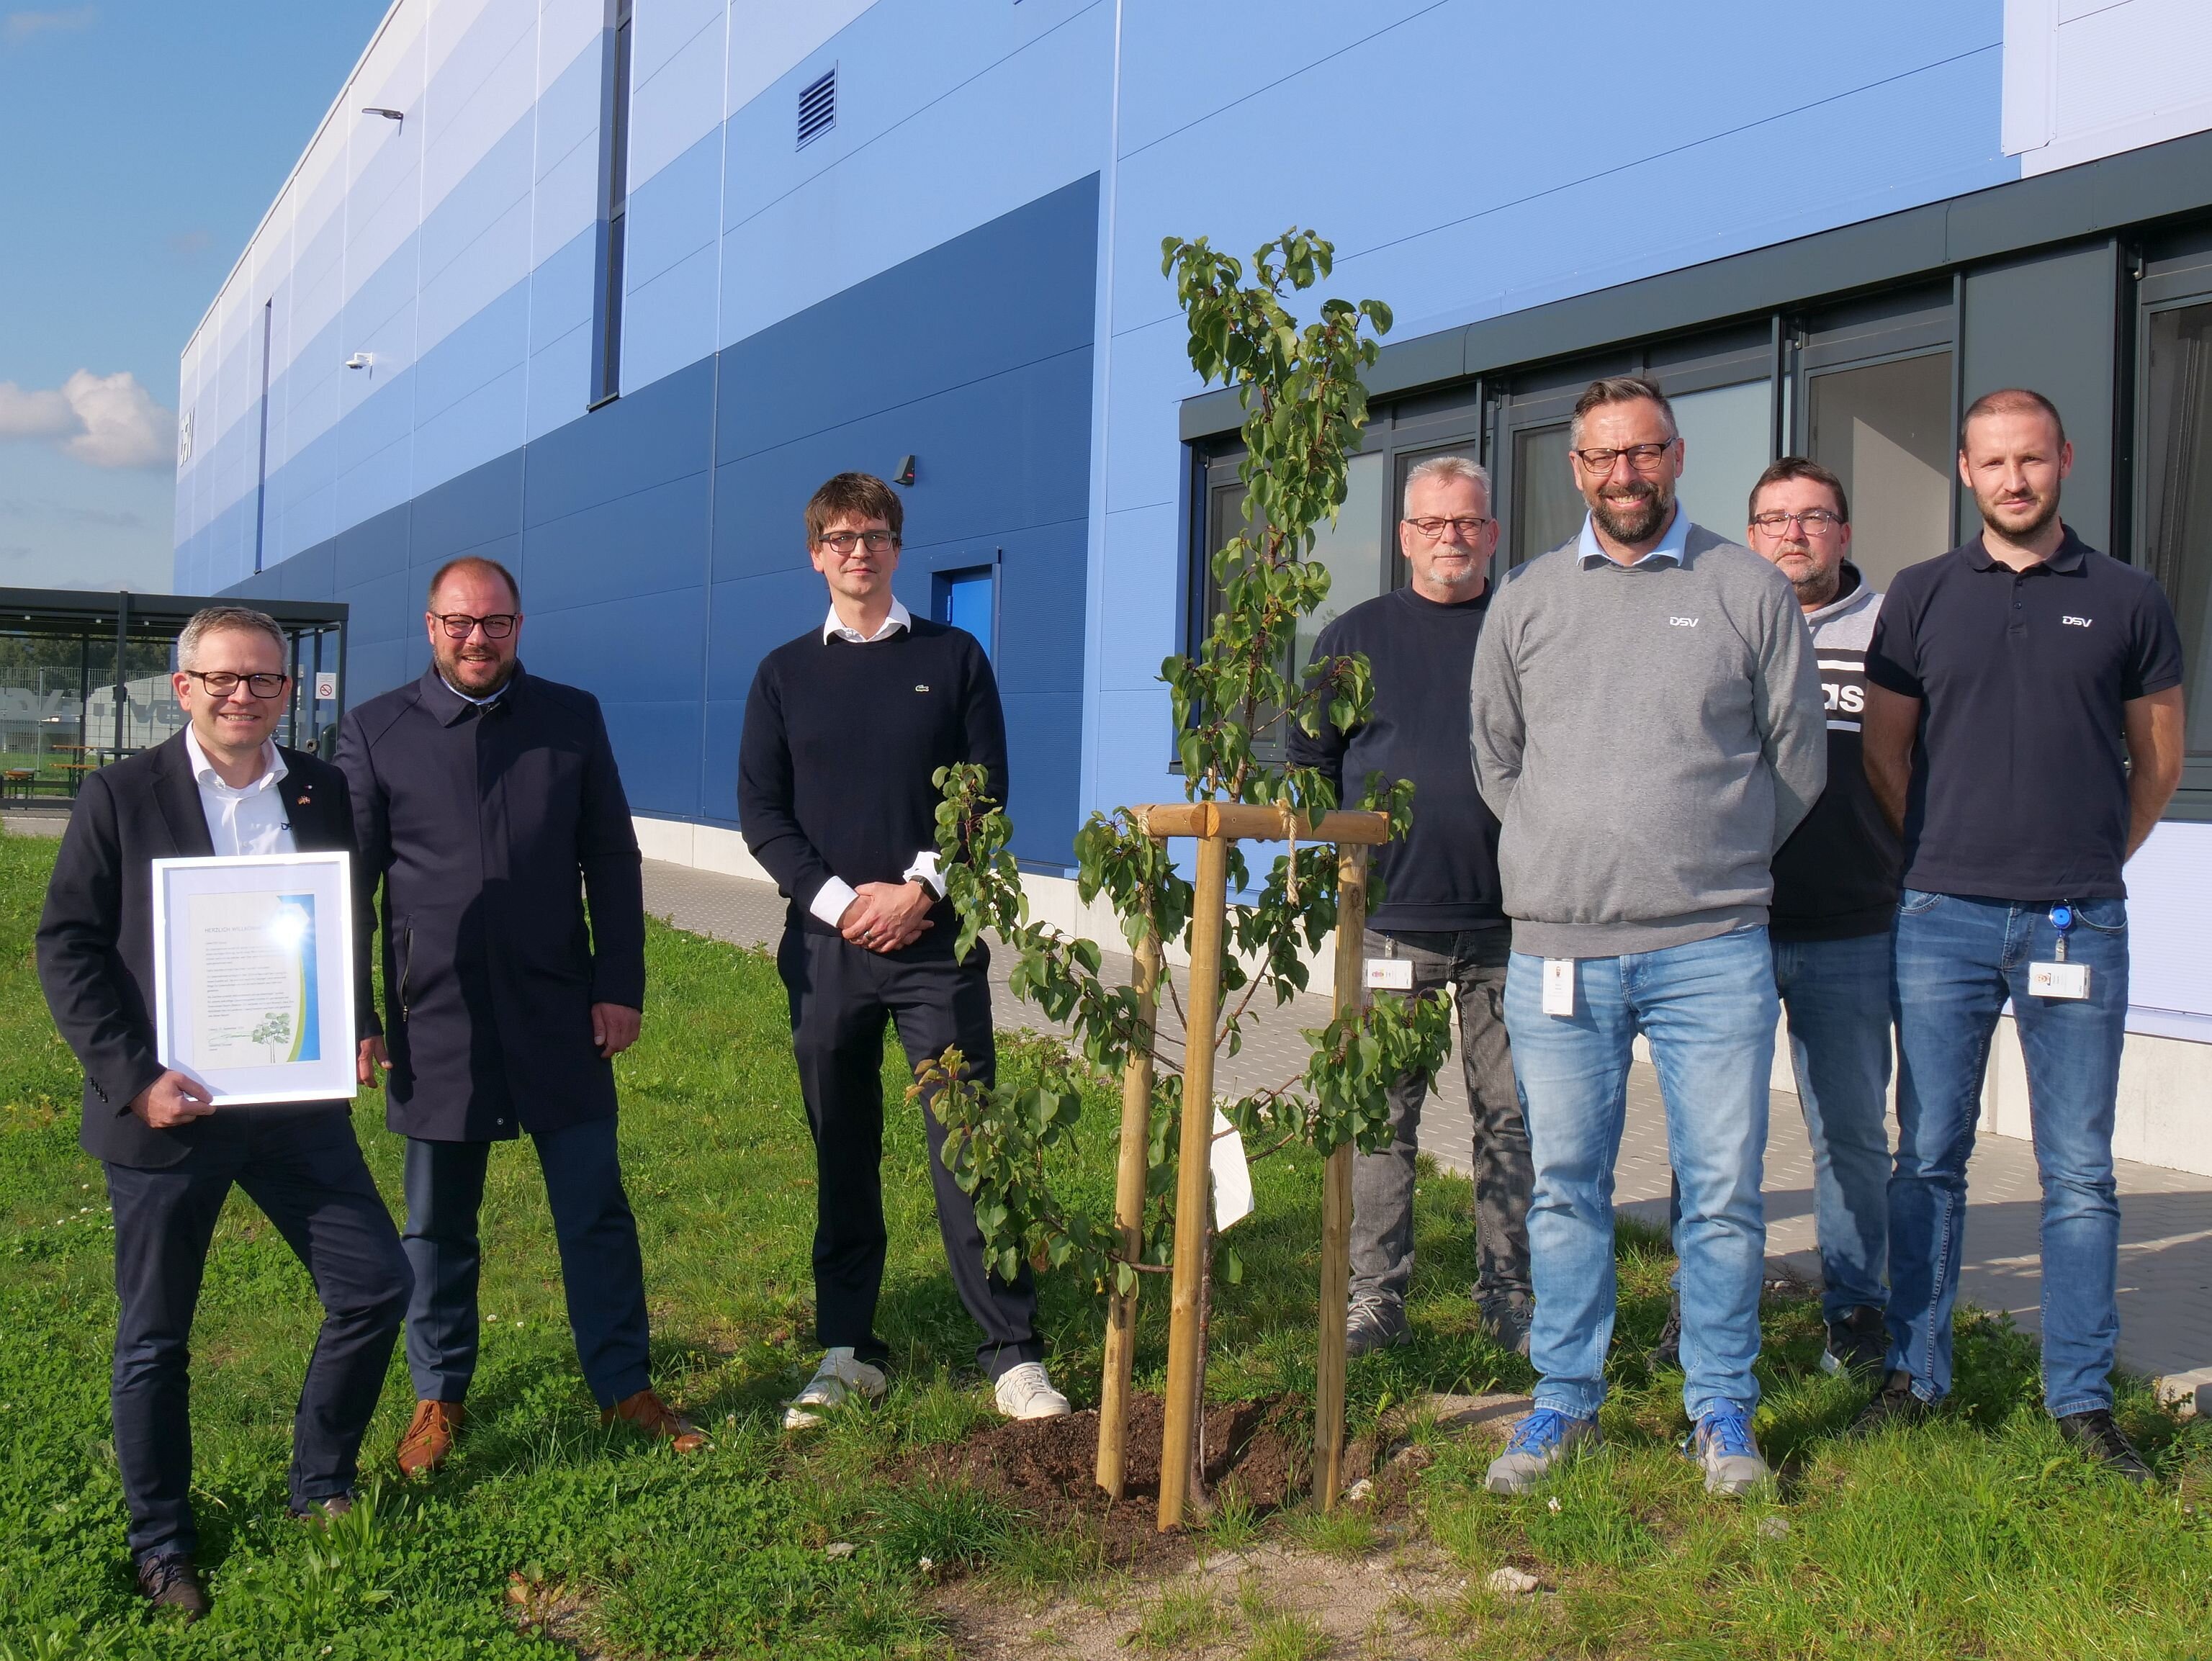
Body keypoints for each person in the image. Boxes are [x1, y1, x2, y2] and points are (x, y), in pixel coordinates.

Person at [1470, 377, 1826, 1498]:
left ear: (1677, 457)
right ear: (1576, 469)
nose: (1625, 473)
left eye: (1645, 452)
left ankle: (1720, 1408)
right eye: (1602, 456)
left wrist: (1705, 859)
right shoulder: (1525, 598)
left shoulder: (1746, 587)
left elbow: (1796, 759)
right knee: (1567, 1184)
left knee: (1722, 1188)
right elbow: (1497, 759)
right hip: (1560, 949)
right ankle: (1562, 1402)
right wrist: (1573, 854)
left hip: (1713, 947)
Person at [37, 606, 410, 1623]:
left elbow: (342, 915)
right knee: (157, 1335)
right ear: (183, 684)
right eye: (224, 678)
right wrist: (134, 1075)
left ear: (291, 690)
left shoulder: (320, 786)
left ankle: (320, 1479)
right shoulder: (121, 793)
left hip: (294, 1101)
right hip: (170, 1109)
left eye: (265, 680)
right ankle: (161, 1542)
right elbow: (65, 945)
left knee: (376, 1282)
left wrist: (356, 1022)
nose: (244, 694)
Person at [1857, 390, 2185, 1481]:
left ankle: (2082, 1401)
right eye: (1994, 461)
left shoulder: (2130, 597)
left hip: (2078, 919)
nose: (2015, 478)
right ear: (1965, 470)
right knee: (1929, 1158)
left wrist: (2087, 861)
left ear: (2065, 461)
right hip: (1941, 915)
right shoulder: (1920, 595)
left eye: (2032, 459)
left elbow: (2161, 763)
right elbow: (1886, 759)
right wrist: (1953, 859)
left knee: (2081, 1171)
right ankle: (1915, 1372)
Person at [338, 557, 700, 1476]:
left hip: (558, 1011)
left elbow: (611, 862)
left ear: (519, 627)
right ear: (430, 628)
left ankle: (625, 1386)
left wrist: (620, 985)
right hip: (438, 1018)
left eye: (495, 623)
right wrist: (358, 1011)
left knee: (595, 1213)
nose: (477, 639)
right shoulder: (376, 732)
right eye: (459, 622)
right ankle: (437, 1398)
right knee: (437, 1227)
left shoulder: (570, 719)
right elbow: (351, 888)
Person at [737, 472, 1069, 1429]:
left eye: (875, 533)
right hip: (827, 950)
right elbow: (763, 812)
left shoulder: (954, 658)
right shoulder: (783, 673)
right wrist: (846, 904)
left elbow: (983, 793)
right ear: (815, 552)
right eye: (840, 536)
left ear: (896, 545)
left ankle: (1011, 1350)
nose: (858, 550)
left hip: (935, 944)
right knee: (842, 1147)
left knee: (968, 1142)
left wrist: (922, 887)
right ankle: (849, 1349)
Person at [1651, 459, 1902, 1377]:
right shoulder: (1719, 623)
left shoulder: (1891, 634)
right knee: (1711, 1134)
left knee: (1851, 1132)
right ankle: (1703, 1301)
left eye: (1813, 518)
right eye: (1772, 520)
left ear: (1844, 531)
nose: (1792, 534)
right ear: (1750, 535)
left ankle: (1856, 1312)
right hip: (1725, 927)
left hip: (1852, 926)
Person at [1287, 454, 1529, 1358]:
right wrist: (1339, 874)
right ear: (1403, 538)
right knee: (1383, 1117)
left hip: (1516, 923)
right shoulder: (1353, 636)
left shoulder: (1524, 626)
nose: (1450, 540)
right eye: (1431, 525)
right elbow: (1308, 769)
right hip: (1389, 919)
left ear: (1492, 534)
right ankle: (1374, 1297)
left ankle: (1510, 1293)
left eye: (1467, 523)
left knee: (1511, 1117)